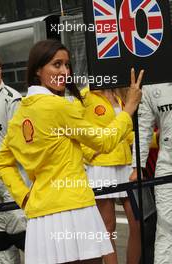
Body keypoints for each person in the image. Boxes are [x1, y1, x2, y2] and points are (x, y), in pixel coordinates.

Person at [0, 39, 143, 264]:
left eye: (67, 65)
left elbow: (2, 161)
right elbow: (104, 141)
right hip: (75, 209)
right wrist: (129, 109)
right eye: (57, 65)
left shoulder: (21, 112)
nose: (65, 71)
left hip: (40, 217)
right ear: (38, 69)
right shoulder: (60, 107)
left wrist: (25, 197)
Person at [75, 86, 141, 264]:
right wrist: (90, 153)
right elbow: (73, 129)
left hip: (125, 165)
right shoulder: (85, 95)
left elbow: (126, 130)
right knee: (108, 227)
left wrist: (144, 140)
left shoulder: (120, 92)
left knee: (137, 225)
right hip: (101, 167)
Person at [130, 82, 172, 264]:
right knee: (165, 229)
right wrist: (136, 167)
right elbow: (143, 127)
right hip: (167, 165)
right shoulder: (154, 83)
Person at [0, 54, 26, 263]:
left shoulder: (12, 99)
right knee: (2, 250)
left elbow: (20, 144)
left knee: (28, 242)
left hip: (12, 186)